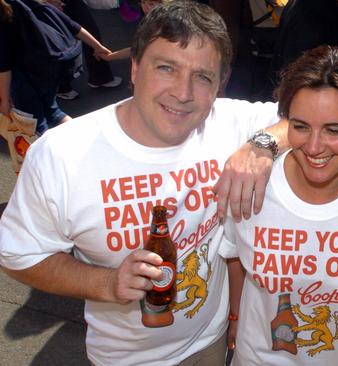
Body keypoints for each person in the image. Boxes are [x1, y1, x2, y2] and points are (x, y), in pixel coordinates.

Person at [0, 1, 287, 365]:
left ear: (220, 84)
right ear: (135, 68)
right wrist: (106, 284)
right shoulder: (61, 156)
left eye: (202, 77)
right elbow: (18, 256)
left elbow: (310, 119)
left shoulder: (228, 124)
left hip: (209, 343)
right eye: (166, 67)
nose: (183, 93)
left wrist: (262, 145)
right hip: (125, 358)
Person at [220, 45, 338, 365]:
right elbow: (236, 259)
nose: (314, 146)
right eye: (301, 126)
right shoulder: (252, 184)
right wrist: (235, 320)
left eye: (334, 130)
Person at [0, 0, 112, 135]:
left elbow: (4, 65)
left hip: (24, 78)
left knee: (35, 124)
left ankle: (44, 152)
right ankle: (84, 139)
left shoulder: (3, 17)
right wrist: (98, 46)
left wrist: (5, 100)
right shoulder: (28, 2)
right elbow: (72, 25)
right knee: (53, 111)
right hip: (49, 67)